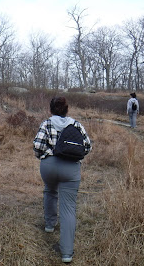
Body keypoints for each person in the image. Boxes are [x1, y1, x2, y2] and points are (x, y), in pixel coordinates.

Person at [33, 97, 92, 263]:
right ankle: (67, 254)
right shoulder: (76, 125)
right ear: (67, 109)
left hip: (49, 167)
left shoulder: (46, 124)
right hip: (71, 169)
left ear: (51, 109)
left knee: (50, 190)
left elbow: (37, 147)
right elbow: (87, 147)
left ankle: (50, 225)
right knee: (68, 208)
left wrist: (45, 157)